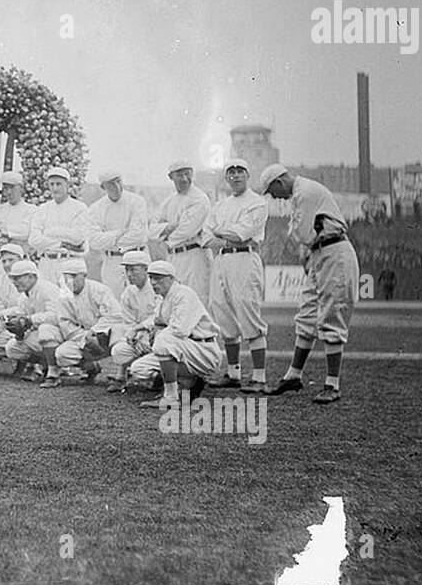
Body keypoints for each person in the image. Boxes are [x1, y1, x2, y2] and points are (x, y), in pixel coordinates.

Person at [258, 163, 360, 405]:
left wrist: (303, 246)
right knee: (307, 315)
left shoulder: (306, 192)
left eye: (273, 191)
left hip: (335, 252)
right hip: (319, 254)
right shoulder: (299, 194)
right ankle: (294, 375)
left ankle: (332, 384)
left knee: (331, 316)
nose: (274, 197)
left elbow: (303, 234)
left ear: (279, 182)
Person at [202, 158, 268, 392]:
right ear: (226, 176)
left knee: (247, 310)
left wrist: (220, 232)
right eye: (231, 172)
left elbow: (242, 234)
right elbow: (205, 237)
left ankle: (259, 377)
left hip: (245, 257)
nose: (236, 176)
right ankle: (233, 373)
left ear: (247, 175)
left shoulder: (257, 202)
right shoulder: (221, 205)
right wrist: (225, 235)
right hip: (221, 259)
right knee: (220, 309)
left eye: (240, 171)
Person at [132, 260, 224, 409]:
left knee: (163, 341)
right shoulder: (164, 297)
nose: (154, 282)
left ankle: (171, 397)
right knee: (138, 369)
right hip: (185, 350)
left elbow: (180, 330)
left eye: (159, 278)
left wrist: (158, 332)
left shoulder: (184, 294)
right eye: (151, 278)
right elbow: (157, 320)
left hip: (203, 350)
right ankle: (189, 382)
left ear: (172, 278)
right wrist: (140, 329)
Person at [0, 259, 65, 387]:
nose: (14, 282)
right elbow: (20, 311)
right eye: (13, 279)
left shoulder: (47, 289)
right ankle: (45, 364)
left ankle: (54, 373)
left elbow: (57, 317)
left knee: (45, 330)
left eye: (18, 278)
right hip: (46, 336)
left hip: (64, 334)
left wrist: (29, 320)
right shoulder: (25, 295)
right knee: (12, 348)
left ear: (31, 276)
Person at [148, 161, 212, 305]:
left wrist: (164, 233)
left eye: (187, 174)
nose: (184, 178)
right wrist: (170, 226)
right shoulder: (169, 201)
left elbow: (187, 230)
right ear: (171, 177)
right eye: (179, 175)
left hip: (194, 256)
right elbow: (151, 230)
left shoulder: (199, 198)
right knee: (175, 301)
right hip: (173, 258)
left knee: (196, 301)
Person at [55, 256, 122, 383]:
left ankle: (122, 374)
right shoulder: (65, 295)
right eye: (67, 278)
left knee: (120, 339)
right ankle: (91, 368)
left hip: (106, 337)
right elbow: (66, 323)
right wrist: (84, 339)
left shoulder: (99, 290)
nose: (70, 281)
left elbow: (115, 315)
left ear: (84, 275)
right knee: (62, 354)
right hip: (83, 339)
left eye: (74, 276)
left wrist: (96, 332)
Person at [28, 167, 96, 287]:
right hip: (46, 263)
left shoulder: (79, 208)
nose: (55, 188)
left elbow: (78, 237)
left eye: (58, 184)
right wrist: (60, 243)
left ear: (67, 185)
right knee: (47, 300)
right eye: (52, 184)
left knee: (67, 300)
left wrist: (49, 232)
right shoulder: (43, 209)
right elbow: (33, 240)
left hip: (69, 262)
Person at [87, 169, 149, 297]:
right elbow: (93, 241)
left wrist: (108, 239)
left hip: (137, 257)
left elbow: (138, 235)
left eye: (118, 181)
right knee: (115, 303)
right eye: (110, 184)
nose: (116, 187)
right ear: (103, 187)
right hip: (112, 262)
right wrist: (119, 233)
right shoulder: (96, 208)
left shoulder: (137, 202)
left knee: (142, 300)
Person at [108, 249, 159, 393]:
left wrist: (142, 333)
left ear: (146, 269)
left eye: (133, 270)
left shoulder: (156, 287)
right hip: (140, 338)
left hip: (158, 334)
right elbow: (128, 322)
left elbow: (159, 317)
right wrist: (135, 337)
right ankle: (121, 376)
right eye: (127, 270)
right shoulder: (129, 292)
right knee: (118, 350)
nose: (129, 274)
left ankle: (166, 377)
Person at [0, 171, 36, 288]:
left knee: (17, 298)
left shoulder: (31, 210)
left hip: (19, 263)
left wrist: (3, 232)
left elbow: (26, 232)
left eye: (12, 188)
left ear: (20, 188)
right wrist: (0, 237)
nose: (8, 192)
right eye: (5, 188)